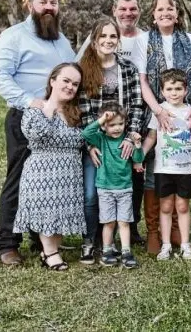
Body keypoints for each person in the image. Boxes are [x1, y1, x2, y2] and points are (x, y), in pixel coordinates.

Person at [0, 0, 76, 266]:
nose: (49, 7)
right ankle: (7, 244)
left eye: (53, 3)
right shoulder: (14, 36)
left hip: (57, 119)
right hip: (24, 118)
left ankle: (43, 240)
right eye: (43, 3)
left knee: (48, 180)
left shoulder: (61, 40)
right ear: (30, 5)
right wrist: (30, 101)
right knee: (19, 179)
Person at [135, 0, 191, 255]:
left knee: (179, 164)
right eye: (159, 9)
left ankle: (177, 229)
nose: (165, 13)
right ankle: (155, 230)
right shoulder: (145, 41)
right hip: (156, 109)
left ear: (177, 14)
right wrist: (157, 110)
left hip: (186, 110)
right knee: (157, 167)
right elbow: (142, 79)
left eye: (170, 8)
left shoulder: (189, 40)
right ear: (153, 15)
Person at [77, 0, 147, 242]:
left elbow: (137, 105)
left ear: (118, 40)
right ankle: (92, 238)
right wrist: (90, 144)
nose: (108, 40)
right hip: (97, 142)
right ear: (94, 40)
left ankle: (128, 230)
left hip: (123, 137)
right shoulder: (84, 70)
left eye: (112, 36)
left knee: (130, 185)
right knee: (91, 193)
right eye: (103, 36)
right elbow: (83, 110)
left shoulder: (127, 68)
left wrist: (131, 135)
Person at [12, 63, 86, 271]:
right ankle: (51, 253)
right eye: (66, 81)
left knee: (62, 212)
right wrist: (49, 111)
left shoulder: (76, 113)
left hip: (70, 170)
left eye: (75, 84)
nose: (70, 87)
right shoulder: (36, 108)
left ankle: (50, 250)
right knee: (48, 210)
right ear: (52, 81)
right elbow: (35, 135)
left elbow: (83, 138)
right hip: (43, 170)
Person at [142, 69, 191, 260]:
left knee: (183, 206)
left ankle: (185, 245)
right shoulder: (160, 111)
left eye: (178, 88)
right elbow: (152, 137)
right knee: (166, 207)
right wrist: (140, 157)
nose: (174, 92)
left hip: (184, 169)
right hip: (163, 169)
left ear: (186, 90)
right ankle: (166, 244)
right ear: (162, 92)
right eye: (169, 89)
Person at [81, 102, 145, 268]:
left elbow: (138, 160)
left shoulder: (126, 141)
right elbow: (86, 133)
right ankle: (107, 250)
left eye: (120, 124)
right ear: (104, 126)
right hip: (105, 189)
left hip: (125, 189)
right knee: (108, 222)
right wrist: (101, 120)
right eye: (112, 125)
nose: (117, 128)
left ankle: (126, 251)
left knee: (123, 222)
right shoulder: (100, 139)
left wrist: (137, 145)